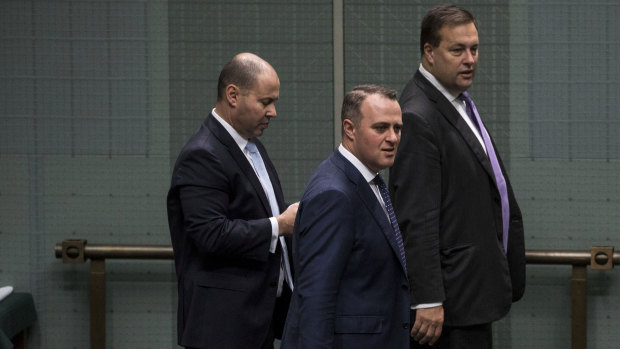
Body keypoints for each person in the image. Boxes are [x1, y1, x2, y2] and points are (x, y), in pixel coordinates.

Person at [389, 4, 526, 349]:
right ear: (429, 52)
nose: (470, 59)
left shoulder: (457, 101)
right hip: (449, 305)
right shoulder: (418, 115)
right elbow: (416, 217)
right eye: (458, 50)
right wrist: (428, 298)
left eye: (474, 48)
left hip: (471, 293)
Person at [167, 52, 298, 349]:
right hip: (221, 328)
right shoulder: (202, 154)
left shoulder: (252, 146)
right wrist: (278, 225)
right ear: (233, 95)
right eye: (265, 102)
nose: (273, 112)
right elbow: (210, 234)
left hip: (256, 321)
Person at [281, 84, 410, 349]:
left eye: (397, 128)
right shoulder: (334, 194)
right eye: (381, 128)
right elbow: (316, 297)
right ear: (349, 129)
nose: (393, 137)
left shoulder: (367, 181)